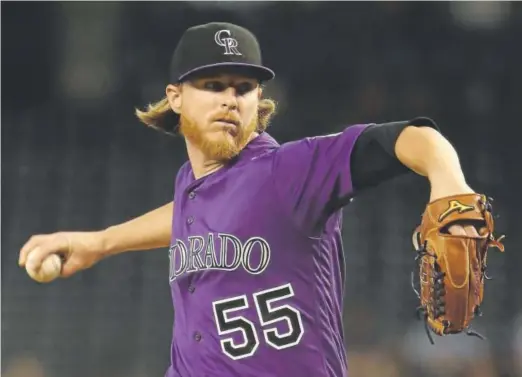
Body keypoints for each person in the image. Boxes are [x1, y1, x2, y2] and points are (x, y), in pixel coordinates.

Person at [19, 22, 482, 377]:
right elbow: (190, 215)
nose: (230, 99)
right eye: (213, 84)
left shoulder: (288, 173)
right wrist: (101, 243)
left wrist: (452, 188)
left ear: (259, 99)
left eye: (243, 88)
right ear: (176, 97)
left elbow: (414, 139)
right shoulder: (192, 184)